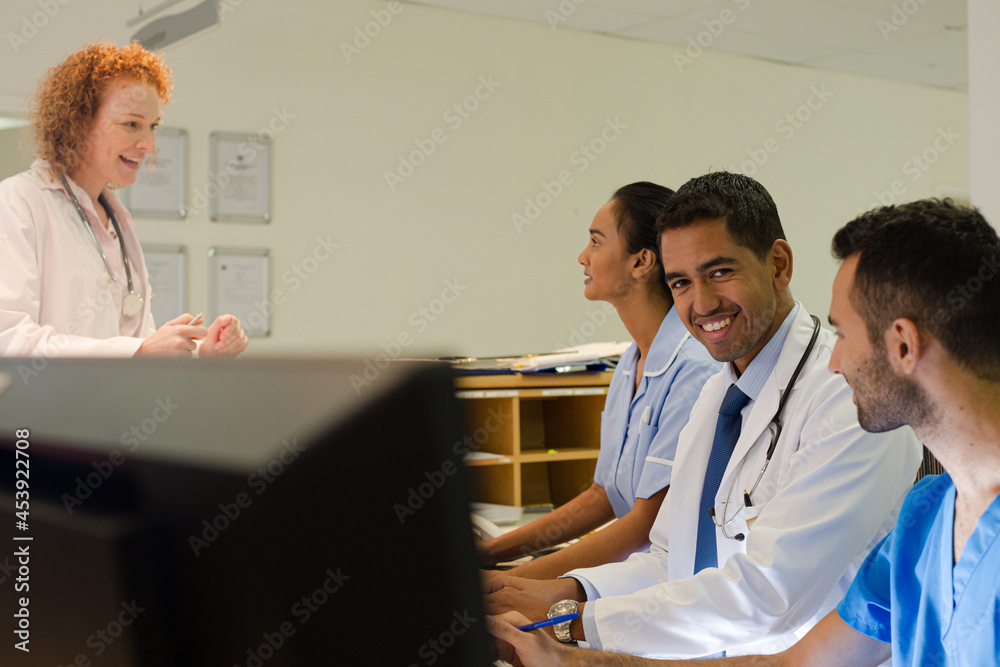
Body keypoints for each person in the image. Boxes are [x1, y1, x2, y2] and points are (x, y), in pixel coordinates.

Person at [487, 199, 1000, 666]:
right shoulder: (926, 519)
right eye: (680, 282)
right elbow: (770, 648)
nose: (837, 361)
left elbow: (768, 602)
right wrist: (563, 625)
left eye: (843, 334)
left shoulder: (840, 406)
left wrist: (571, 623)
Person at [479, 182, 720, 579]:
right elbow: (603, 494)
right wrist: (489, 553)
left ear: (641, 262)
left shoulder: (694, 367)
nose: (582, 257)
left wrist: (509, 580)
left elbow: (644, 525)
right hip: (634, 562)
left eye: (595, 242)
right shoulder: (630, 361)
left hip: (668, 576)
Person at [0, 42, 248, 358]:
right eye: (132, 124)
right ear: (78, 123)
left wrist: (200, 352)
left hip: (114, 406)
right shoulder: (18, 203)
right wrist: (137, 351)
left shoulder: (117, 220)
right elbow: (10, 340)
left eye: (153, 126)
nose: (148, 144)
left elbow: (137, 341)